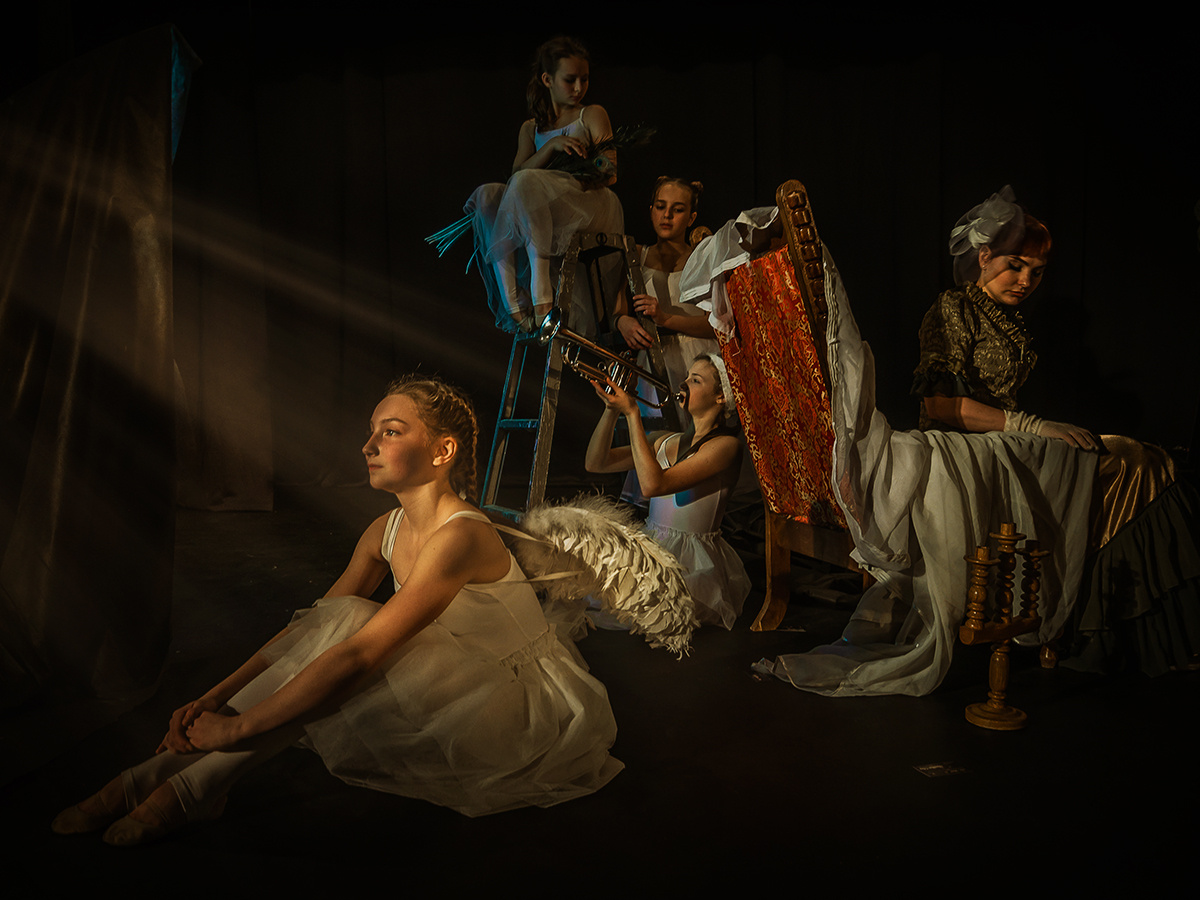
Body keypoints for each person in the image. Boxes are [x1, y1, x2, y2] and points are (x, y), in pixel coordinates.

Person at [51, 376, 622, 843]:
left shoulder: (461, 536)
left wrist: (239, 726)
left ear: (442, 451)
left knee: (360, 632)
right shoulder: (384, 530)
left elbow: (359, 654)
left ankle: (189, 787)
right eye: (371, 433)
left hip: (513, 708)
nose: (368, 446)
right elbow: (311, 629)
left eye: (390, 432)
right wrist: (215, 697)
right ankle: (161, 779)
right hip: (451, 678)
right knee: (342, 617)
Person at [911, 186, 1198, 672]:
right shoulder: (953, 309)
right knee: (1130, 461)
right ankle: (1093, 632)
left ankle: (1129, 633)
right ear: (984, 257)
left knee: (1144, 460)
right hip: (965, 450)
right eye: (1015, 266)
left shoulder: (1006, 320)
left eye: (1037, 272)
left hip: (1004, 444)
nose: (1026, 281)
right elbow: (939, 405)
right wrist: (1032, 424)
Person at [465, 36, 623, 334]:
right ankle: (513, 301)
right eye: (570, 80)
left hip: (586, 203)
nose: (579, 87)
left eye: (584, 79)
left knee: (527, 182)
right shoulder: (531, 128)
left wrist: (587, 165)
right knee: (488, 194)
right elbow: (516, 175)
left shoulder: (590, 114)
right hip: (539, 211)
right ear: (547, 79)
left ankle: (542, 298)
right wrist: (550, 147)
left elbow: (610, 171)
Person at [585, 354, 751, 629]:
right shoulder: (663, 440)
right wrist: (611, 410)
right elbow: (596, 463)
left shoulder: (726, 446)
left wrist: (633, 413)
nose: (683, 384)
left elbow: (653, 486)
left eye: (695, 380)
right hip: (652, 547)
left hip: (691, 565)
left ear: (721, 397)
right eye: (686, 376)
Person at [613, 177, 718, 398]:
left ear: (691, 218)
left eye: (677, 210)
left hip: (698, 361)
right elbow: (617, 312)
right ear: (651, 210)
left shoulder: (702, 258)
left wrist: (666, 318)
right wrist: (623, 322)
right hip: (654, 361)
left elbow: (715, 325)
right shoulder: (635, 255)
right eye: (661, 207)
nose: (667, 215)